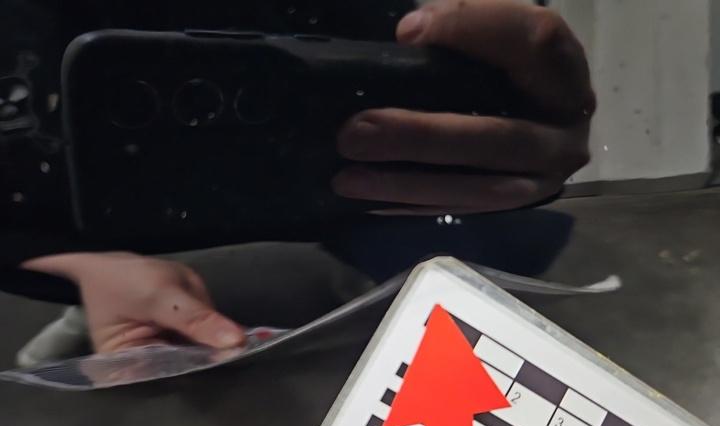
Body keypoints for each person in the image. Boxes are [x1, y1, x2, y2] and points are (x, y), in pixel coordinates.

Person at [5, 0, 594, 355]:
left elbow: (394, 66)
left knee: (491, 265)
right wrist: (74, 269)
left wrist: (493, 101)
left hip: (334, 193)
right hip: (72, 240)